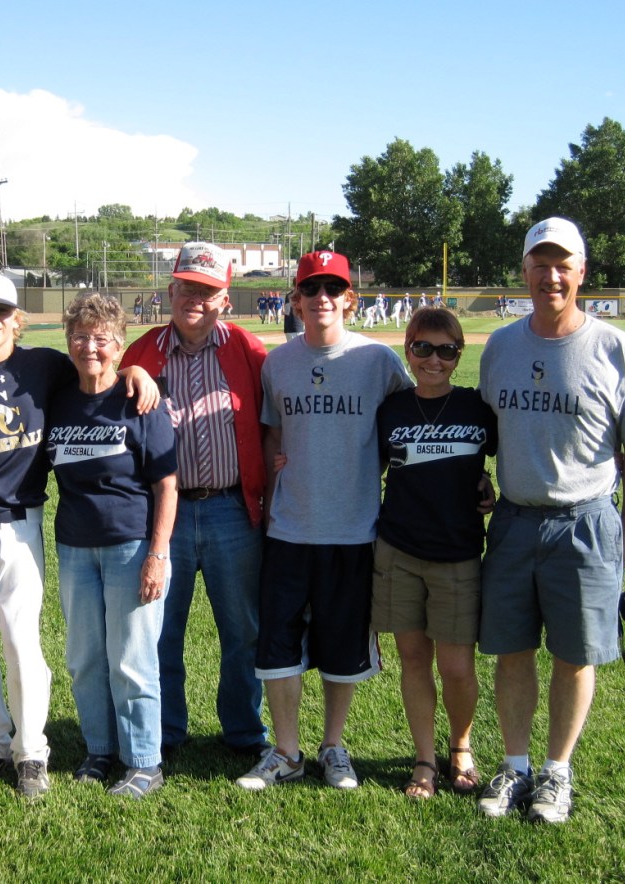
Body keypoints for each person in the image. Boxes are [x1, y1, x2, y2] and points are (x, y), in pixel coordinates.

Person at [0, 272, 158, 798]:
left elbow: (97, 366)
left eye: (1, 311)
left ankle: (31, 751)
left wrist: (138, 369)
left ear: (18, 319)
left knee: (22, 641)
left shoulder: (45, 366)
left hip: (20, 524)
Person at [475, 217, 625, 824]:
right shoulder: (501, 345)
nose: (551, 275)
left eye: (564, 264)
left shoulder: (613, 347)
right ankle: (516, 764)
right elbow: (488, 433)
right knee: (512, 650)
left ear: (582, 272)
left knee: (574, 654)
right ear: (524, 271)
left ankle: (557, 770)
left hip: (585, 521)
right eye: (540, 263)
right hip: (512, 521)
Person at [237, 249, 411, 792]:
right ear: (297, 300)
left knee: (344, 645)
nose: (323, 300)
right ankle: (286, 752)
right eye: (312, 290)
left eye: (333, 289)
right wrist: (274, 466)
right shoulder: (279, 362)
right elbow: (269, 431)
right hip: (289, 527)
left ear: (350, 299)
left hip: (354, 528)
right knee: (278, 645)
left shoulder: (378, 361)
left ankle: (333, 746)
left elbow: (412, 419)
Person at [121, 241, 269, 759]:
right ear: (171, 289)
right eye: (187, 287)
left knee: (242, 630)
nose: (195, 299)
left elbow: (274, 423)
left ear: (225, 298)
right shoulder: (141, 352)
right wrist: (127, 373)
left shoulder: (248, 351)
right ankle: (166, 728)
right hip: (167, 514)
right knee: (160, 629)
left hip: (232, 508)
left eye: (207, 291)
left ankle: (244, 730)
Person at [47, 294, 178, 798]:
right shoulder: (59, 399)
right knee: (84, 657)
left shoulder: (140, 400)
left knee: (132, 658)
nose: (90, 347)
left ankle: (144, 760)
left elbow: (167, 483)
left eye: (102, 338)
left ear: (120, 345)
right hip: (76, 546)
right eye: (80, 336)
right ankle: (99, 750)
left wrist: (158, 554)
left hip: (130, 544)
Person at [372, 308, 497, 799]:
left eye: (446, 350)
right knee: (413, 659)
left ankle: (461, 745)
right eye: (423, 348)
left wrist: (487, 485)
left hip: (458, 552)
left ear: (458, 355)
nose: (433, 359)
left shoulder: (476, 407)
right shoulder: (392, 409)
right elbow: (366, 465)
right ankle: (425, 757)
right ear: (408, 349)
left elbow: (515, 455)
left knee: (457, 666)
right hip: (399, 548)